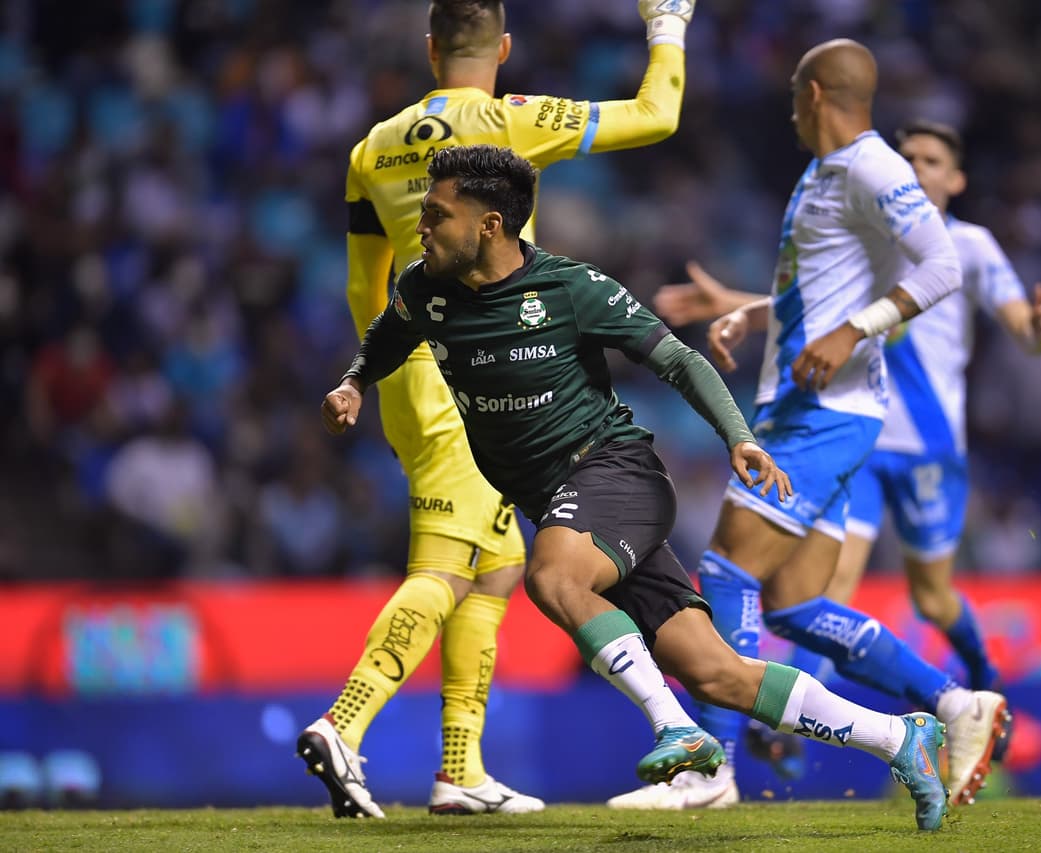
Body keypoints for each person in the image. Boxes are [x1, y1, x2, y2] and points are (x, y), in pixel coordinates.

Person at [323, 143, 952, 832]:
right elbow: (389, 333)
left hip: (614, 473)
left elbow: (678, 359)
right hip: (568, 507)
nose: (423, 226)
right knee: (718, 671)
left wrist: (737, 435)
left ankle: (676, 728)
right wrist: (356, 379)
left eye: (438, 215)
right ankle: (900, 738)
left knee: (554, 578)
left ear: (491, 224)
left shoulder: (569, 288)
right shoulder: (424, 287)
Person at [296, 0, 700, 819]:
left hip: (411, 370)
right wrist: (667, 24)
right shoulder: (505, 123)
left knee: (498, 559)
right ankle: (343, 724)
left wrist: (374, 375)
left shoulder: (371, 147)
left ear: (429, 48)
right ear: (504, 47)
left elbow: (361, 285)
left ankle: (460, 769)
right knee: (446, 563)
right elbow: (660, 114)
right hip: (481, 372)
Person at [607, 41, 1009, 812]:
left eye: (795, 95)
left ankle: (712, 768)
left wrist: (854, 330)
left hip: (827, 415)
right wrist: (752, 312)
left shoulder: (872, 166)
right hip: (814, 410)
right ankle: (955, 705)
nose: (791, 108)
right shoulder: (824, 175)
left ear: (816, 93)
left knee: (726, 572)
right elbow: (824, 289)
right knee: (793, 603)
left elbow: (940, 266)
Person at [653, 119, 1041, 780]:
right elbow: (811, 307)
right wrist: (735, 303)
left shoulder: (966, 246)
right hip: (854, 440)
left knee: (930, 599)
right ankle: (769, 732)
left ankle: (978, 688)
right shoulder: (875, 236)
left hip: (929, 451)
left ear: (956, 179)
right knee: (818, 587)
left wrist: (1036, 333)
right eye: (909, 157)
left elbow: (1020, 321)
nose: (918, 166)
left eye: (933, 158)